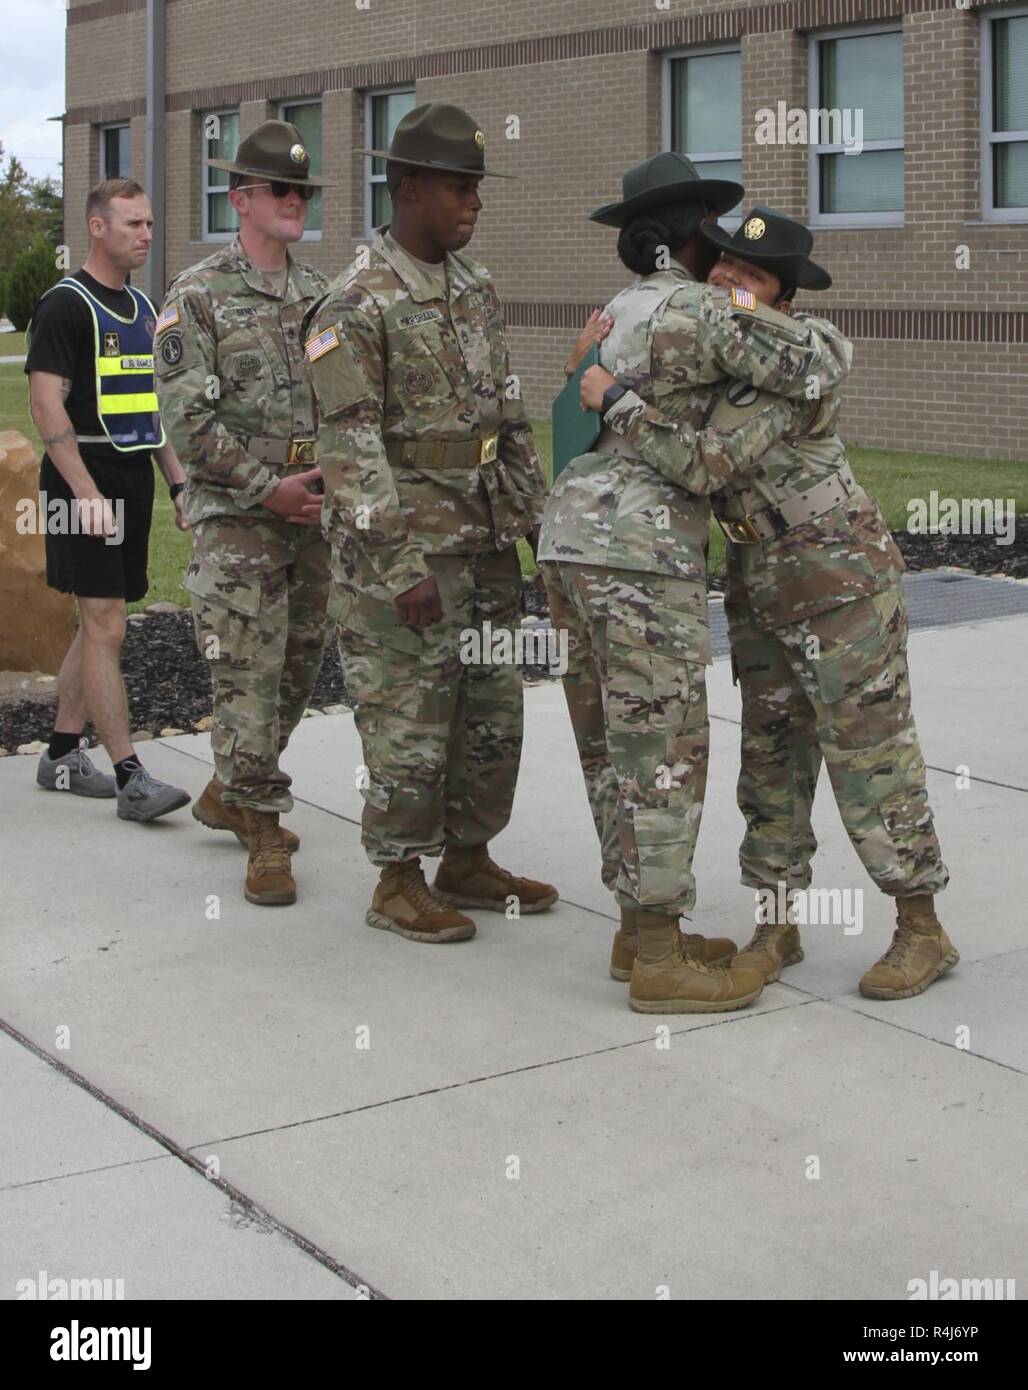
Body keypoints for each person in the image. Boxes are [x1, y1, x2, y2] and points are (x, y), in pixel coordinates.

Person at [577, 206, 954, 1001]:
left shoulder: (793, 370)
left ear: (782, 298)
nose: (724, 283)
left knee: (870, 754)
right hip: (758, 576)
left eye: (747, 277)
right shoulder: (724, 356)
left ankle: (922, 927)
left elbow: (704, 462)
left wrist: (612, 399)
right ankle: (776, 924)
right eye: (719, 269)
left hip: (835, 579)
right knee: (773, 759)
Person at [537, 155, 851, 1013]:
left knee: (608, 747)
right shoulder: (701, 309)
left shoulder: (614, 313)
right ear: (692, 233)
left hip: (567, 537)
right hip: (639, 552)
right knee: (664, 752)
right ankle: (661, 962)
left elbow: (570, 406)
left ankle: (639, 929)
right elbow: (822, 362)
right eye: (714, 233)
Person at [304, 102, 557, 944]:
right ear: (408, 188)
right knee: (410, 718)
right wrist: (395, 562)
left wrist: (536, 526)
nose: (474, 202)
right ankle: (397, 878)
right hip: (409, 557)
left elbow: (509, 416)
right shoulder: (353, 303)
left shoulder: (474, 288)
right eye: (460, 187)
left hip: (483, 543)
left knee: (490, 713)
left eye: (478, 187)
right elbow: (349, 447)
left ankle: (468, 857)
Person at [154, 121, 332, 906]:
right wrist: (269, 490)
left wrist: (324, 484)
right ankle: (261, 829)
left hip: (312, 519)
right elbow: (190, 422)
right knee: (247, 679)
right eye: (280, 190)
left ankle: (231, 787)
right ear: (242, 201)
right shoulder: (196, 297)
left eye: (303, 191)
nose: (295, 201)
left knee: (296, 670)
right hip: (240, 524)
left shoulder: (321, 295)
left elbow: (345, 400)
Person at [27, 178, 190, 822]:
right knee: (107, 623)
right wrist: (87, 493)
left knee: (100, 624)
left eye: (148, 223)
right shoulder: (65, 305)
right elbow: (45, 406)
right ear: (97, 228)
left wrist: (178, 482)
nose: (145, 234)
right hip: (80, 480)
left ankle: (61, 753)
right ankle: (131, 777)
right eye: (132, 224)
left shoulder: (145, 309)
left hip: (132, 480)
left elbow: (152, 409)